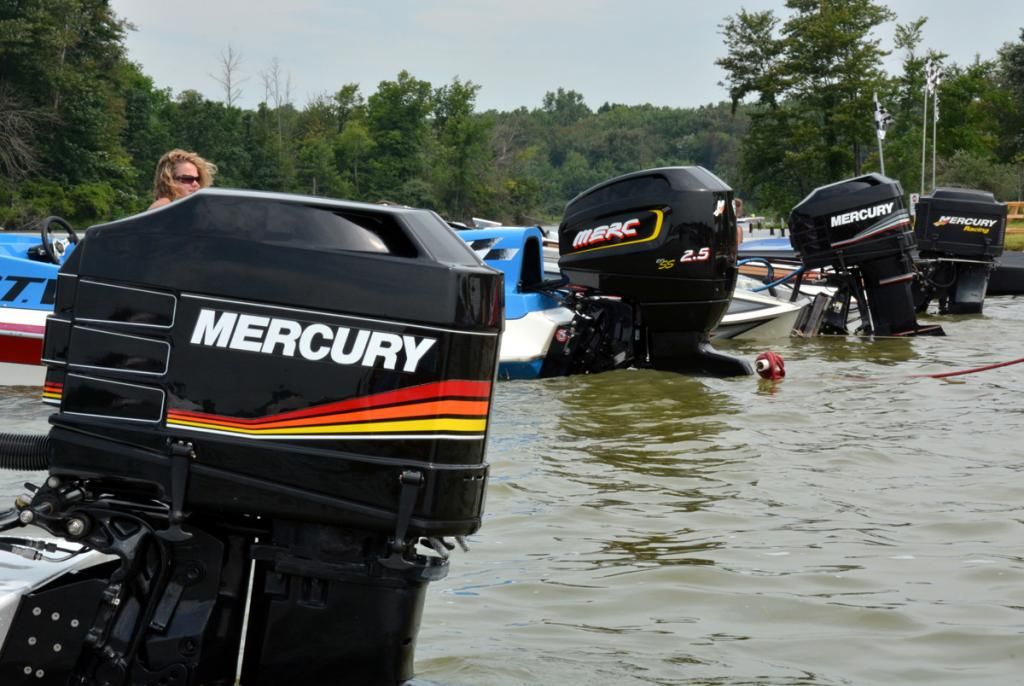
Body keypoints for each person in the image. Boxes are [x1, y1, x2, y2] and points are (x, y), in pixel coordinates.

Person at [148, 149, 217, 210]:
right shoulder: (163, 205)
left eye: (197, 179)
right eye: (188, 179)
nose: (196, 184)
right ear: (168, 180)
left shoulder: (191, 209)